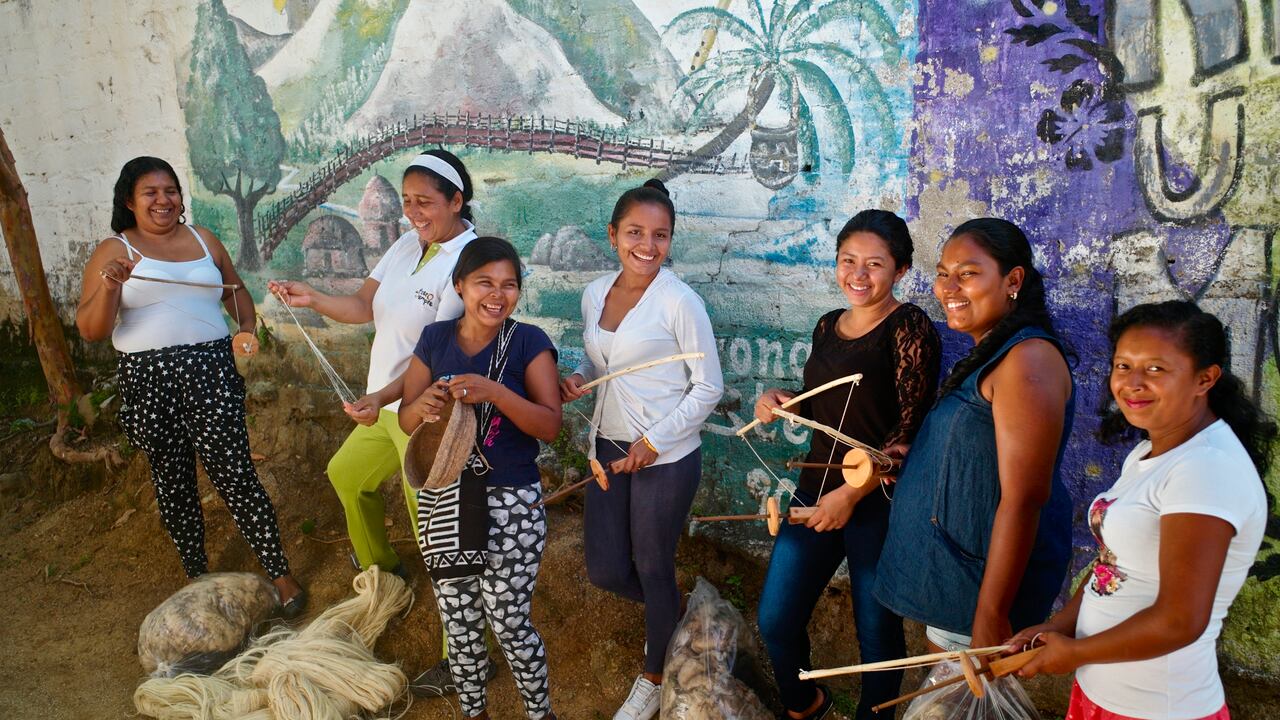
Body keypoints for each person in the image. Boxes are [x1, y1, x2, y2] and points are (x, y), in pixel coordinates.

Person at [268, 150, 485, 691]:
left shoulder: (468, 259)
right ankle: (386, 574)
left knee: (434, 533)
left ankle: (460, 659)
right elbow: (364, 306)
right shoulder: (407, 244)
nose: (413, 212)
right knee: (347, 475)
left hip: (428, 412)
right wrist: (312, 297)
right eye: (407, 201)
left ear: (457, 201)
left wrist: (385, 398)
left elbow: (436, 356)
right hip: (388, 407)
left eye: (426, 202)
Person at [1009, 301, 1272, 720]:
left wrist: (1074, 652)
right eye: (1122, 366)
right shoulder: (1152, 451)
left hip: (1158, 707)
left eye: (1155, 369)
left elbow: (1180, 620)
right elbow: (1112, 565)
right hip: (1106, 694)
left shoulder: (1206, 470)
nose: (1131, 383)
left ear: (1205, 379)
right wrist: (1059, 625)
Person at [76, 156, 305, 615]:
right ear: (129, 201)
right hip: (148, 378)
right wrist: (109, 285)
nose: (163, 200)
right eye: (150, 193)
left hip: (212, 371)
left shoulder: (205, 240)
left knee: (236, 473)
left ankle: (280, 575)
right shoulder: (114, 249)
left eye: (170, 191)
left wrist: (245, 332)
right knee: (174, 480)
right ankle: (198, 579)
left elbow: (236, 292)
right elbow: (91, 330)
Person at [753, 210, 940, 719]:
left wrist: (853, 494)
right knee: (775, 619)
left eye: (874, 264)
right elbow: (821, 409)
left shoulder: (910, 327)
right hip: (815, 489)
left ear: (900, 270)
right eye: (848, 261)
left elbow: (911, 431)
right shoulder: (826, 325)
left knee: (876, 635)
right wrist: (782, 399)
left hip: (876, 501)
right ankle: (805, 703)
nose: (858, 274)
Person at [559, 179, 725, 720]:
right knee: (605, 570)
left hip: (667, 454)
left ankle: (653, 676)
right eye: (635, 232)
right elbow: (603, 363)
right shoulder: (594, 293)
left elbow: (709, 387)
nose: (647, 245)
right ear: (613, 235)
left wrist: (655, 441)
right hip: (607, 445)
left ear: (670, 240)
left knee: (653, 563)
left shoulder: (679, 301)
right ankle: (678, 611)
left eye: (660, 235)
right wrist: (580, 377)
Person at [873, 217, 1075, 651]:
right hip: (960, 580)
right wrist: (920, 460)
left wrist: (991, 613)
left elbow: (1025, 498)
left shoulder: (1028, 361)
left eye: (966, 274)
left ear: (1013, 280)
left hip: (980, 591)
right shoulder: (996, 353)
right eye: (943, 273)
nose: (947, 287)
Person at [399, 237, 562, 720]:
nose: (497, 294)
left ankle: (541, 714)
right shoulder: (435, 340)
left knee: (509, 621)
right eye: (484, 283)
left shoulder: (529, 342)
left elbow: (549, 426)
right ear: (459, 286)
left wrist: (495, 392)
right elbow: (407, 419)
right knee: (460, 622)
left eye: (509, 284)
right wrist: (423, 405)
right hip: (444, 498)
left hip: (512, 501)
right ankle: (475, 713)